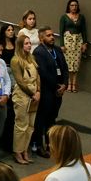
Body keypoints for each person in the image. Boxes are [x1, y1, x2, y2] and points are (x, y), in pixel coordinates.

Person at [33, 26, 67, 158]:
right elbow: (43, 73)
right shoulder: (39, 52)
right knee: (42, 120)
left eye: (52, 35)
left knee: (52, 119)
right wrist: (56, 87)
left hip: (58, 91)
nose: (52, 37)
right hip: (47, 90)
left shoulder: (57, 50)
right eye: (48, 35)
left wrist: (64, 84)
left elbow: (64, 67)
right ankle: (39, 145)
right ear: (41, 39)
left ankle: (50, 144)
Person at [10, 34, 40, 165]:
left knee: (30, 125)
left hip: (34, 93)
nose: (29, 45)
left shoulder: (31, 58)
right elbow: (20, 81)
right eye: (26, 43)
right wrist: (32, 93)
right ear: (21, 45)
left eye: (30, 43)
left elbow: (38, 76)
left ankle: (25, 150)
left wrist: (38, 91)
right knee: (21, 125)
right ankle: (18, 151)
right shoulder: (16, 60)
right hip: (22, 95)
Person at [59, 0, 87, 93]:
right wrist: (62, 45)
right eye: (72, 5)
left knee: (76, 64)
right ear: (68, 6)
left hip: (78, 42)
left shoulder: (81, 17)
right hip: (68, 41)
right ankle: (68, 84)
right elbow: (61, 32)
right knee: (68, 64)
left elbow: (84, 30)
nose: (74, 7)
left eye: (75, 5)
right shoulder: (64, 17)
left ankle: (74, 84)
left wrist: (84, 43)